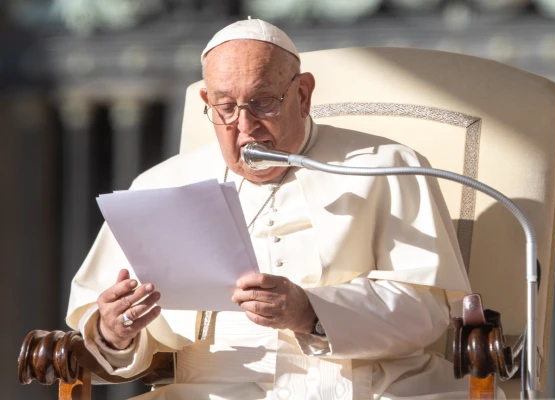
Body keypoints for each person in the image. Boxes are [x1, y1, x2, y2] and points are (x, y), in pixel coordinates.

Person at [66, 19, 471, 400]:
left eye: (263, 103)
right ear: (207, 101)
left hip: (364, 387)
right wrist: (113, 330)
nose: (245, 126)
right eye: (225, 106)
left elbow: (426, 313)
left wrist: (309, 311)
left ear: (302, 95)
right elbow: (109, 340)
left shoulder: (386, 165)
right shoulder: (161, 185)